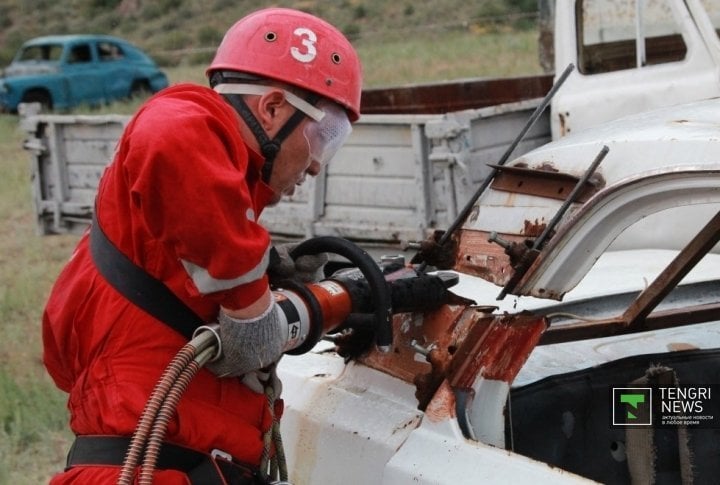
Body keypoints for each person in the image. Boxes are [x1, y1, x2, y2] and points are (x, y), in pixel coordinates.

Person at [42, 7, 362, 484]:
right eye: (323, 136)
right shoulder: (184, 123)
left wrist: (266, 278)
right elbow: (167, 134)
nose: (317, 166)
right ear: (272, 109)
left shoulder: (177, 227)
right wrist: (253, 306)